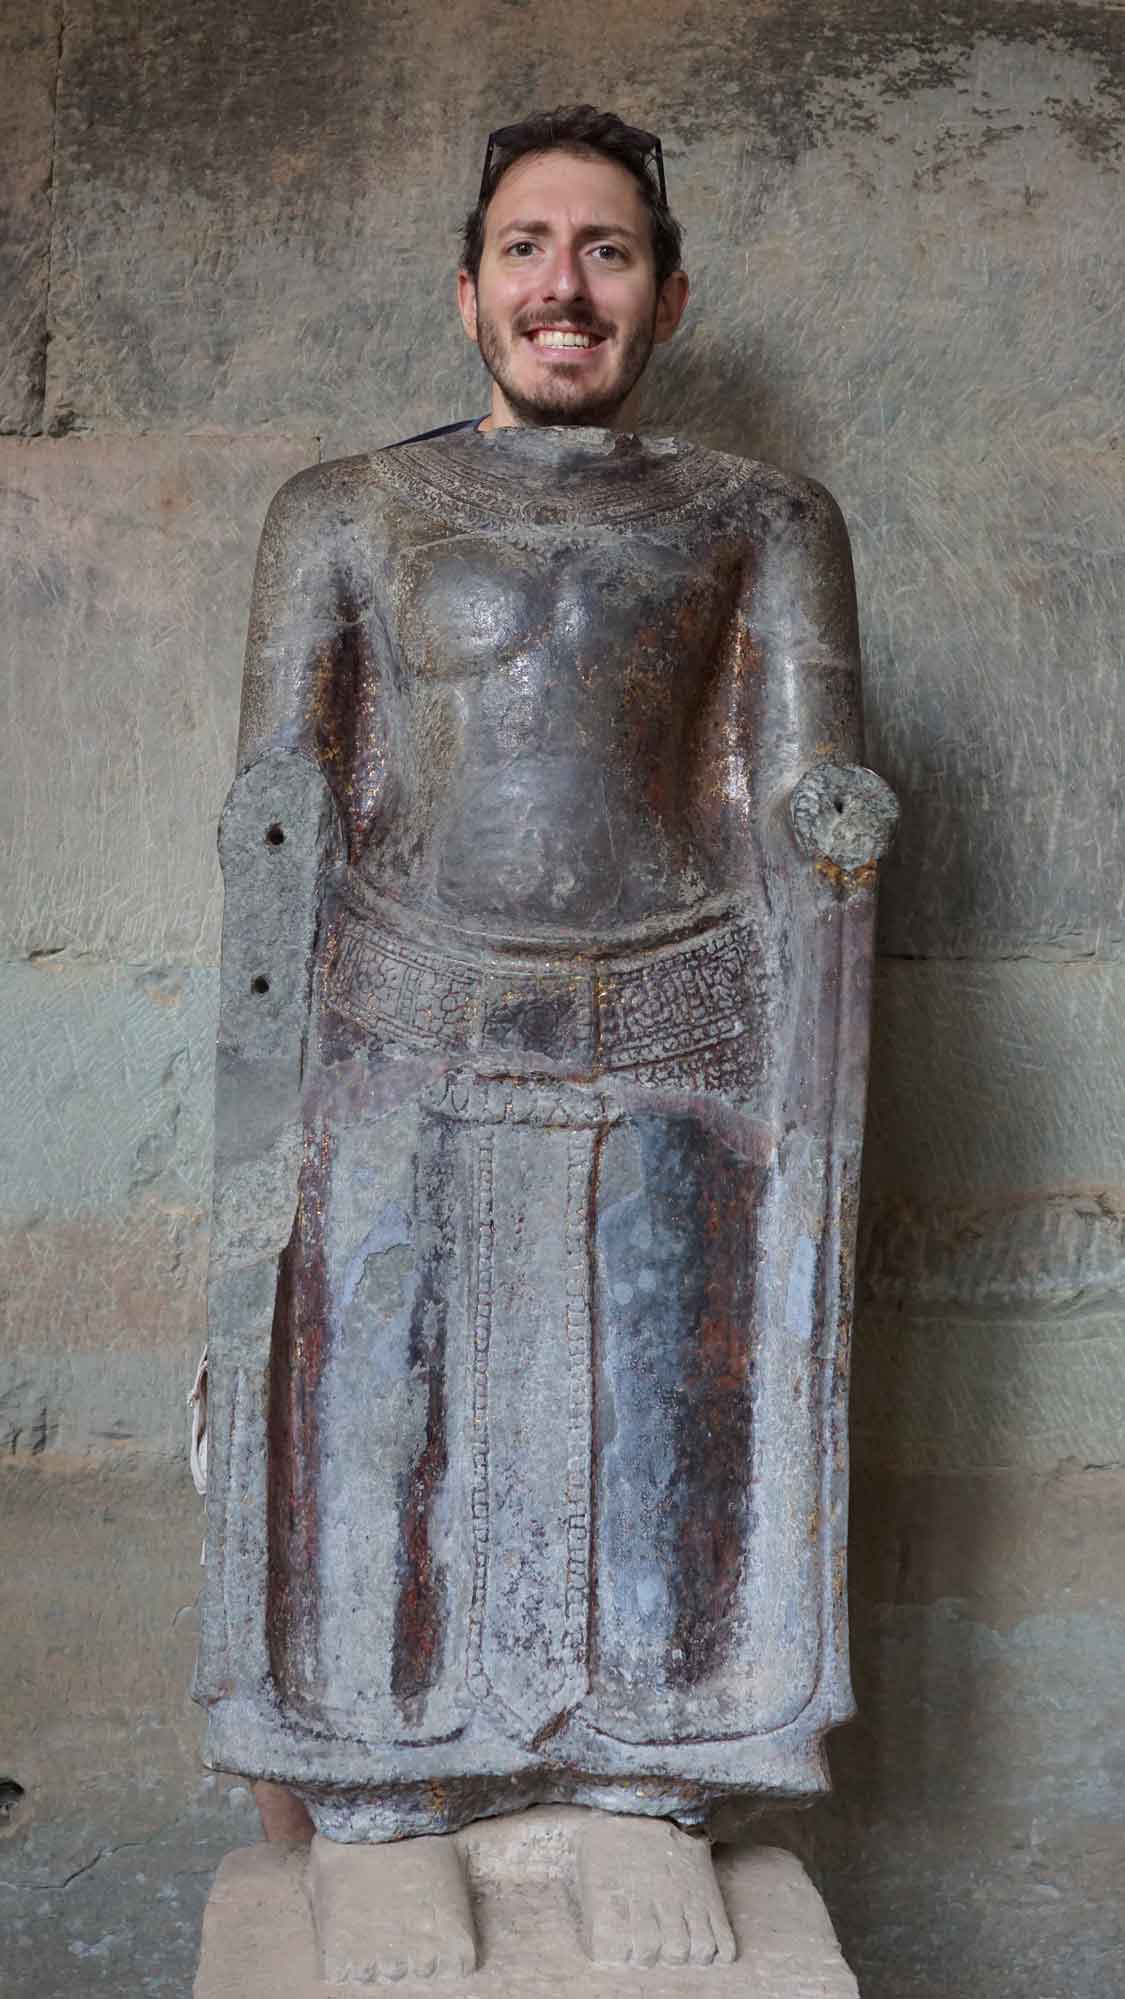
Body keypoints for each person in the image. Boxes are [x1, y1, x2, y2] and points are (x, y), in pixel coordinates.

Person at [197, 102, 889, 1980]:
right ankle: (377, 1800)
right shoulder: (347, 511)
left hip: (679, 1003)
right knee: (371, 1391)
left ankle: (648, 1783)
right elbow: (282, 805)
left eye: (603, 252)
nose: (561, 288)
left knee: (669, 1388)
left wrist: (832, 862)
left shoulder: (758, 518)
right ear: (467, 291)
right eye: (525, 249)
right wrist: (262, 1105)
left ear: (667, 297)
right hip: (396, 1009)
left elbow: (805, 789)